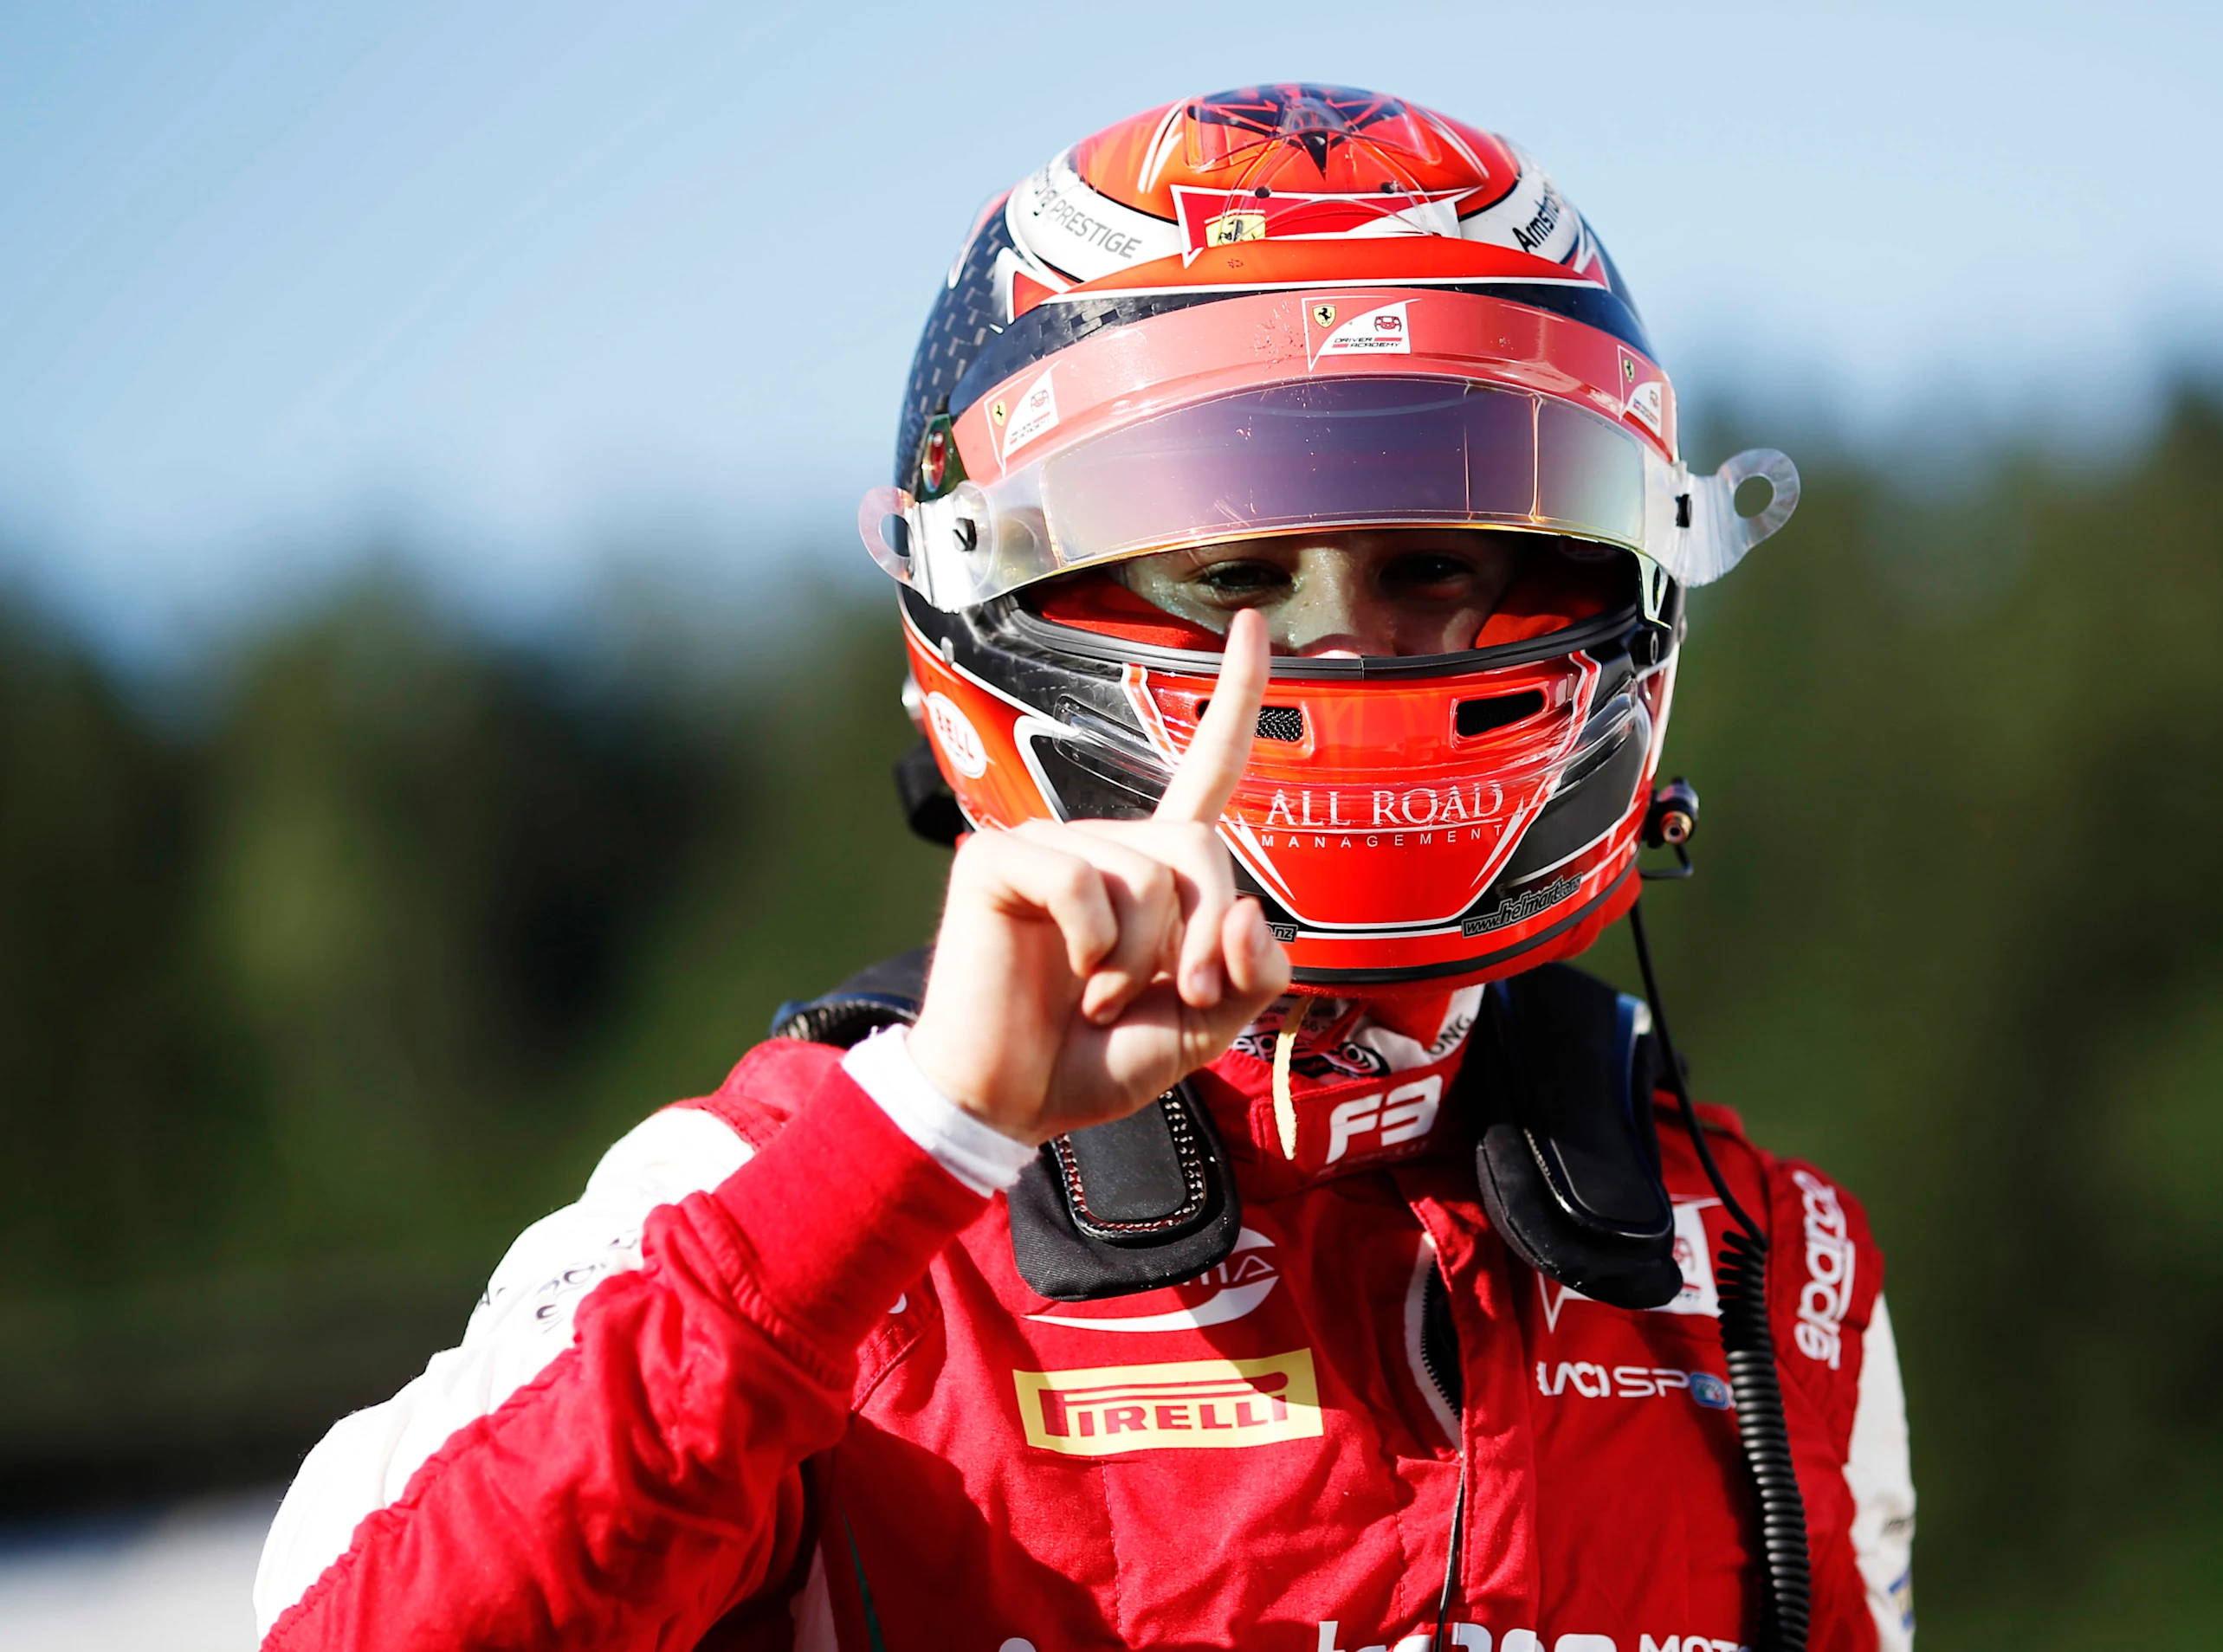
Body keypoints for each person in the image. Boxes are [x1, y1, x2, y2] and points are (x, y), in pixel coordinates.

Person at [252, 82, 1913, 1652]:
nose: (1336, 650)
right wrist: (917, 1153)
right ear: (991, 595)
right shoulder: (775, 1210)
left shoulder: (1768, 1262)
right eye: (1234, 575)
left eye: (1434, 566)